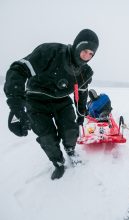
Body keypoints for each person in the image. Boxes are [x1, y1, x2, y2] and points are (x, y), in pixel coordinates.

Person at [4, 29, 99, 180]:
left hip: (61, 100)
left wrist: (81, 114)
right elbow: (18, 69)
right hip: (35, 100)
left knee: (70, 131)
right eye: (85, 50)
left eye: (91, 54)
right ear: (77, 46)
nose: (87, 56)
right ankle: (58, 163)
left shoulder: (84, 72)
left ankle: (70, 150)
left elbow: (81, 95)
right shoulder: (51, 52)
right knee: (47, 137)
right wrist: (16, 106)